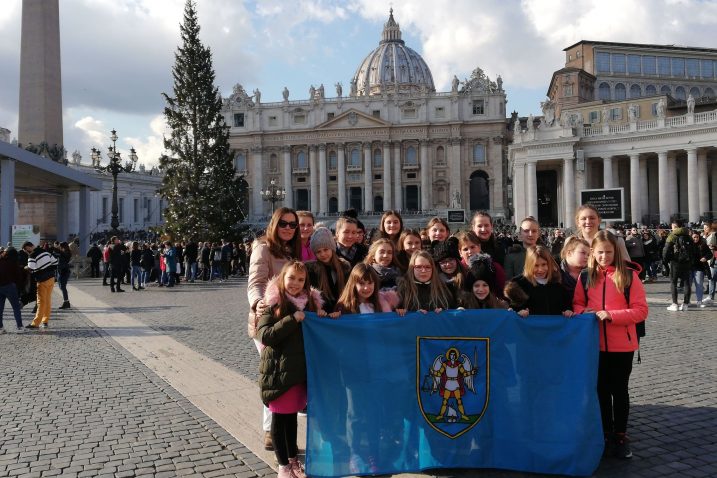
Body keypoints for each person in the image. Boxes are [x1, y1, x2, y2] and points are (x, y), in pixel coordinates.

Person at [572, 230, 648, 459]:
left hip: (621, 344)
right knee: (601, 391)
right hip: (594, 344)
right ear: (593, 252)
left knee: (619, 391)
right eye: (600, 252)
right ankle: (605, 433)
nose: (604, 256)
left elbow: (641, 310)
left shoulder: (629, 276)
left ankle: (621, 435)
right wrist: (584, 312)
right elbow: (577, 303)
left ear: (615, 252)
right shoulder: (586, 276)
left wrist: (612, 315)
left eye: (608, 252)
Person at [257, 260, 324, 478]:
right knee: (279, 420)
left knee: (291, 419)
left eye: (300, 279)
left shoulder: (309, 305)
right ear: (282, 278)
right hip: (278, 373)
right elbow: (265, 335)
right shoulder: (274, 303)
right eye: (291, 278)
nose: (295, 283)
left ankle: (293, 459)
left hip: (297, 374)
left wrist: (323, 316)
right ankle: (283, 465)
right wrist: (291, 320)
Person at [248, 207, 302, 451]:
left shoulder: (295, 248)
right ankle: (270, 429)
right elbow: (256, 282)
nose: (289, 228)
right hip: (268, 321)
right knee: (274, 373)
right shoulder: (263, 247)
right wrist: (258, 303)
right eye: (284, 224)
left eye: (293, 225)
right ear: (274, 224)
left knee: (283, 374)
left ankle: (281, 428)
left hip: (291, 323)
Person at [504, 245, 573, 317]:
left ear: (549, 264)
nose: (540, 269)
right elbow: (512, 308)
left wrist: (568, 310)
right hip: (529, 327)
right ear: (529, 265)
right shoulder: (519, 285)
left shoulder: (557, 284)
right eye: (536, 265)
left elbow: (566, 304)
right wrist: (519, 311)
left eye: (544, 264)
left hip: (554, 327)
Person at [305, 227, 350, 313]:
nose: (323, 254)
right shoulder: (312, 270)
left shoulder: (344, 267)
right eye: (318, 252)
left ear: (332, 249)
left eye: (326, 250)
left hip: (342, 312)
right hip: (322, 314)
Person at [663, 218, 695, 311]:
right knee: (686, 283)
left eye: (672, 226)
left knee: (673, 282)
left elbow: (666, 250)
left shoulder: (672, 235)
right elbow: (693, 250)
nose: (671, 228)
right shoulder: (688, 235)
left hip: (675, 262)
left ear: (675, 226)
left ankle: (675, 304)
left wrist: (665, 261)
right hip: (687, 262)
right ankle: (685, 304)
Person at [26, 242, 59, 329]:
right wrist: (48, 269)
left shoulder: (32, 255)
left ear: (29, 247)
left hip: (41, 280)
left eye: (26, 250)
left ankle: (36, 323)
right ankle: (45, 321)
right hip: (51, 279)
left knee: (41, 302)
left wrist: (36, 270)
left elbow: (31, 268)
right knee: (47, 300)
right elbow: (55, 262)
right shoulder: (46, 252)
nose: (26, 252)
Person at [0, 247, 28, 333]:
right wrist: (20, 289)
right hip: (10, 286)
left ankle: (0, 328)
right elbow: (18, 277)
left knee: (0, 308)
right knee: (16, 307)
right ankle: (19, 326)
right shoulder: (13, 262)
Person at [690, 230, 712, 308]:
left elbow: (710, 254)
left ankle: (699, 301)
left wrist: (705, 258)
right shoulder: (688, 245)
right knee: (688, 286)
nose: (695, 239)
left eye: (697, 237)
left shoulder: (703, 245)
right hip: (689, 268)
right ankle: (687, 301)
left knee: (699, 285)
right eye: (694, 237)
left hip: (699, 268)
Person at [56, 242, 72, 309]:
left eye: (60, 246)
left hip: (64, 271)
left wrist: (58, 252)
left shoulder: (66, 252)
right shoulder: (63, 252)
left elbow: (64, 256)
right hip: (61, 271)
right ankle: (66, 302)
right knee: (61, 287)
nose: (59, 247)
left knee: (62, 287)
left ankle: (66, 302)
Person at [706, 221, 717, 303]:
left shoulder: (714, 235)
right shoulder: (713, 234)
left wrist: (713, 246)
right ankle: (710, 296)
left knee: (712, 278)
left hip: (715, 259)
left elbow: (712, 245)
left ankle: (710, 296)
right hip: (714, 259)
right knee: (712, 278)